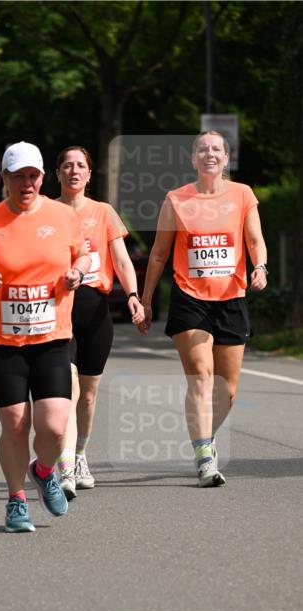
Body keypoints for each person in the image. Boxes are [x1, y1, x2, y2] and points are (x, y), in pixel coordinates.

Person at [0, 141, 90, 532]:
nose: (26, 183)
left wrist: (77, 273)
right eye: (18, 176)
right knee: (16, 424)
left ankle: (44, 470)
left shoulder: (63, 216)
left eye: (33, 176)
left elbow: (82, 255)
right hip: (2, 340)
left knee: (54, 427)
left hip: (52, 336)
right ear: (5, 178)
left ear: (42, 177)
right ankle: (16, 500)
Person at [139, 131, 267, 486]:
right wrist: (146, 301)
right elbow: (159, 254)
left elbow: (254, 239)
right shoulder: (176, 199)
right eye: (202, 149)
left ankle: (205, 437)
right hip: (190, 297)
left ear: (226, 158)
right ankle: (204, 457)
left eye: (216, 149)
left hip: (231, 298)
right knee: (201, 374)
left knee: (227, 390)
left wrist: (260, 267)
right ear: (193, 159)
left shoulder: (242, 194)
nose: (209, 154)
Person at [54, 146, 145, 497]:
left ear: (90, 174)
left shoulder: (103, 212)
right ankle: (64, 464)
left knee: (88, 394)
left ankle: (79, 456)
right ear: (57, 173)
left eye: (81, 166)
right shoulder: (46, 211)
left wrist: (133, 295)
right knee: (69, 387)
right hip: (58, 308)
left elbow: (121, 261)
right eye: (67, 165)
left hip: (94, 309)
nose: (74, 171)